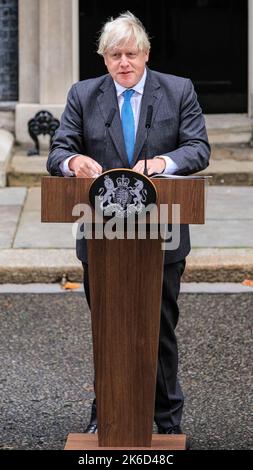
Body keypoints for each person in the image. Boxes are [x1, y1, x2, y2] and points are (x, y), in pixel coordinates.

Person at [47, 11, 210, 435]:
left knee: (159, 329)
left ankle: (166, 419)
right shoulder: (83, 95)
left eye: (131, 54)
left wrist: (162, 162)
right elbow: (58, 150)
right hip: (100, 233)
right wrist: (72, 160)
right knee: (108, 327)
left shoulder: (177, 91)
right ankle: (109, 417)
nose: (124, 63)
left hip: (163, 232)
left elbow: (198, 148)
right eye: (115, 55)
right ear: (104, 59)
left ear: (146, 55)